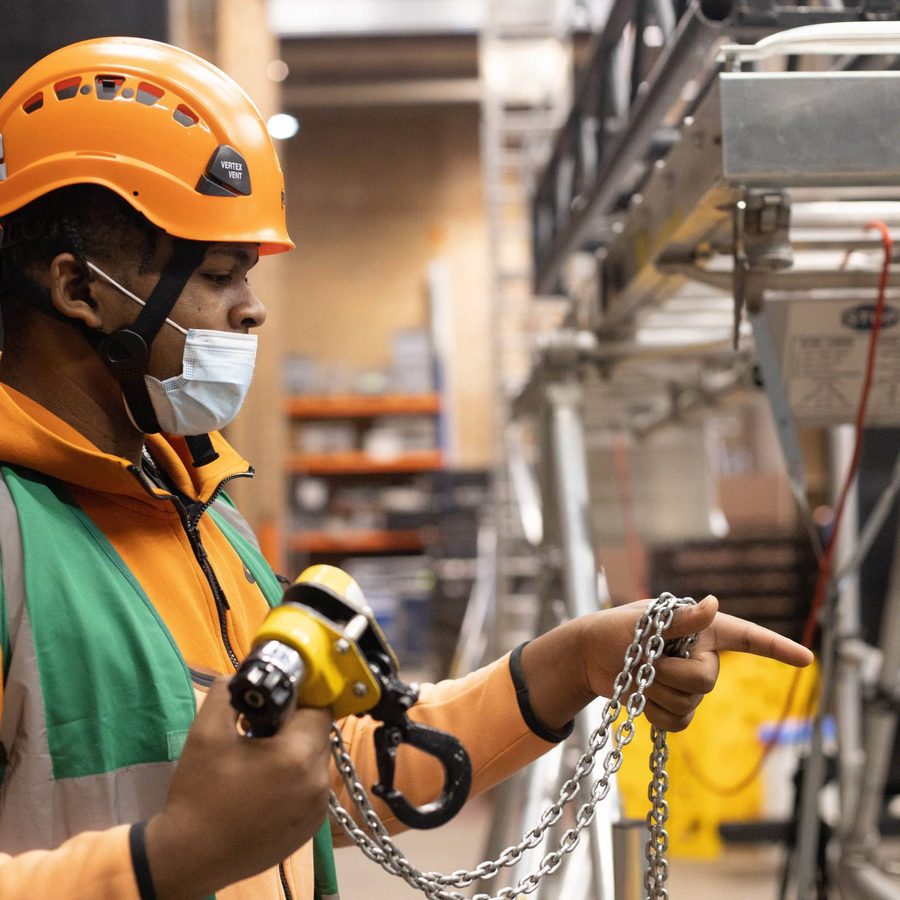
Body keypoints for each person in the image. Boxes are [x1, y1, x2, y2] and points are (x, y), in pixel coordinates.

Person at [0, 37, 812, 900]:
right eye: (218, 271)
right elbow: (204, 840)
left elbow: (327, 775)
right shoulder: (17, 541)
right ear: (79, 291)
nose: (254, 305)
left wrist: (574, 663)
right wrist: (167, 863)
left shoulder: (199, 514)